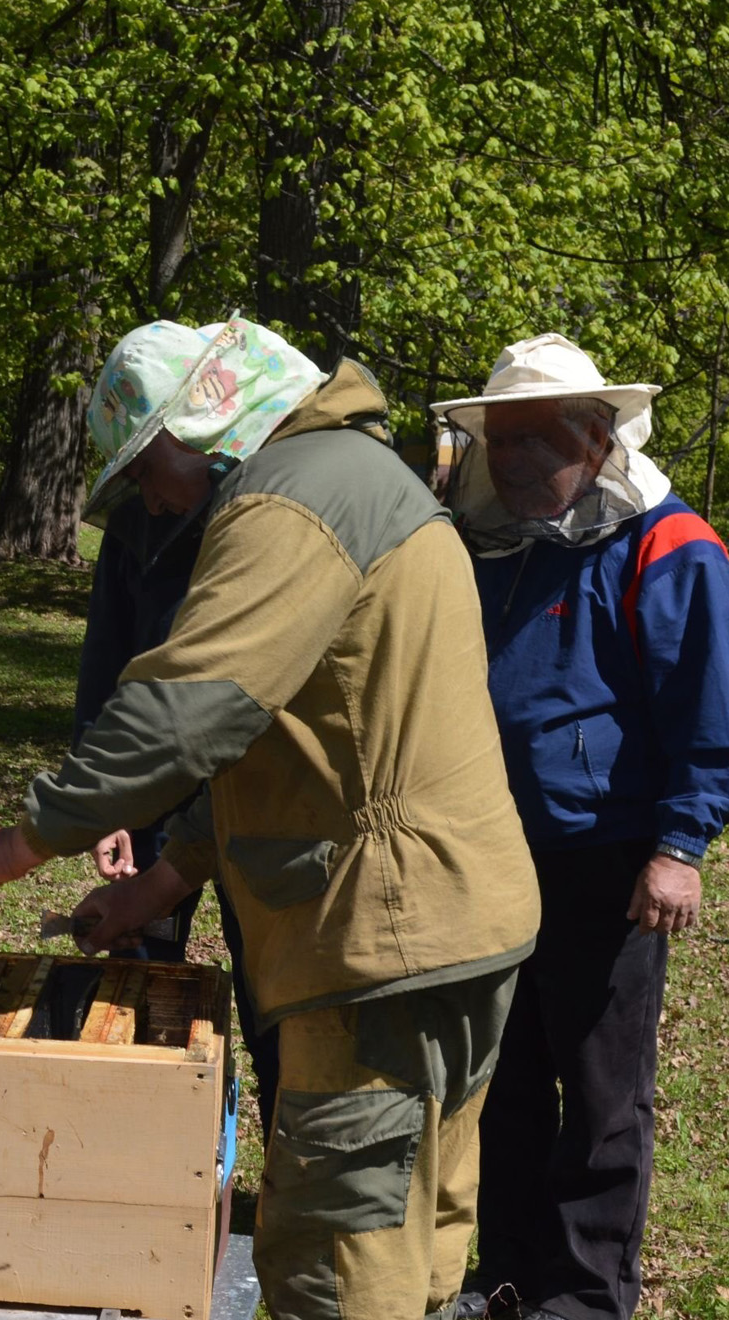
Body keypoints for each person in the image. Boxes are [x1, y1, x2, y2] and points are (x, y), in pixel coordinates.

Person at [0, 317, 541, 1320]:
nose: (150, 497)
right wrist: (161, 884)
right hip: (452, 927)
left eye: (147, 467)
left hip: (377, 947)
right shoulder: (349, 477)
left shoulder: (290, 498)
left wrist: (11, 845)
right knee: (419, 1241)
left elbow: (191, 708)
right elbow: (290, 736)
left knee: (340, 1269)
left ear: (201, 427)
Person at [432, 334, 729, 1320]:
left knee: (601, 1098)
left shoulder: (670, 545)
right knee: (502, 1083)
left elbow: (709, 709)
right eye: (499, 439)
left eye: (534, 439)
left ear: (597, 439)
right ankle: (508, 1278)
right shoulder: (487, 546)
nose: (511, 459)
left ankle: (587, 1295)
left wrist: (679, 848)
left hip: (607, 861)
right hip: (487, 858)